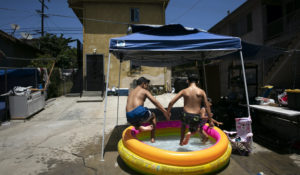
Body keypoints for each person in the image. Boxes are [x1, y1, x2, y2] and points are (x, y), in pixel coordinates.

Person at [167, 75, 214, 146]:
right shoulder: (201, 92)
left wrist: (168, 112)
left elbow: (171, 102)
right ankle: (191, 132)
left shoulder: (184, 91)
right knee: (195, 129)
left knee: (183, 125)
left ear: (187, 81)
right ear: (198, 82)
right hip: (195, 116)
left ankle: (181, 141)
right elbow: (207, 106)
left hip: (185, 115)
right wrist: (210, 121)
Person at [126, 77, 170, 143]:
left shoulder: (131, 92)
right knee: (153, 116)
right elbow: (155, 102)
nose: (147, 87)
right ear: (144, 84)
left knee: (136, 121)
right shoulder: (144, 91)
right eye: (147, 85)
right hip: (139, 111)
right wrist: (165, 111)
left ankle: (141, 127)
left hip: (128, 115)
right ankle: (152, 138)